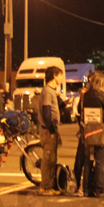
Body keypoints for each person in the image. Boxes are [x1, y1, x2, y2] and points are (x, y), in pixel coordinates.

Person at [79, 71, 104, 197]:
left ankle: (86, 188)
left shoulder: (86, 96)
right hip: (101, 132)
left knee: (88, 161)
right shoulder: (103, 96)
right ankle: (99, 189)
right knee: (101, 162)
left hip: (88, 131)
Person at [38, 66, 64, 196]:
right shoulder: (47, 91)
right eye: (60, 75)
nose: (61, 77)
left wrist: (63, 105)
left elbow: (53, 109)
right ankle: (45, 186)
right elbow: (46, 112)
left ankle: (50, 185)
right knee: (48, 158)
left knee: (52, 158)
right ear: (54, 75)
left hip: (51, 128)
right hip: (48, 130)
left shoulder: (52, 91)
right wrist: (52, 130)